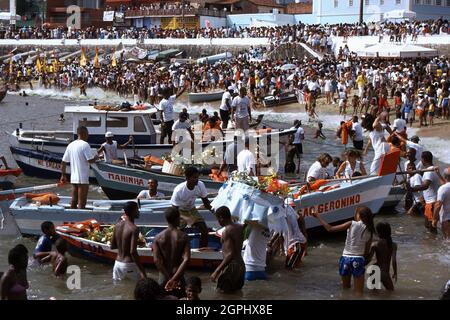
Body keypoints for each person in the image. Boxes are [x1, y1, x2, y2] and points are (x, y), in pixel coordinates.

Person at [312, 206, 375, 294]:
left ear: (359, 215)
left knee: (345, 290)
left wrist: (318, 216)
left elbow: (330, 229)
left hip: (345, 259)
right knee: (359, 293)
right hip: (358, 259)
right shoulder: (370, 230)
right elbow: (366, 253)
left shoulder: (351, 223)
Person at [171, 166, 214, 248]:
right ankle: (178, 250)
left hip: (192, 209)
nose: (197, 179)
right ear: (187, 178)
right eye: (194, 177)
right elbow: (174, 211)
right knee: (179, 232)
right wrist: (186, 218)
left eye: (197, 177)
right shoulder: (179, 190)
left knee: (204, 230)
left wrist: (215, 212)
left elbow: (206, 203)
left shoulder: (200, 185)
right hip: (180, 211)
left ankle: (203, 249)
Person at [153, 207, 190, 298]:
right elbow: (186, 259)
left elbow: (156, 261)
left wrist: (169, 278)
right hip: (178, 275)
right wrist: (174, 278)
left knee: (161, 297)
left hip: (164, 275)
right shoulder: (183, 236)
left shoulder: (158, 237)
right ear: (177, 218)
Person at [60, 126, 97, 209]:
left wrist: (63, 175)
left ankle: (71, 220)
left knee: (74, 200)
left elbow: (63, 162)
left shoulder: (71, 145)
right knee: (82, 202)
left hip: (73, 177)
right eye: (87, 134)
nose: (88, 136)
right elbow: (90, 160)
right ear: (84, 133)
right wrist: (96, 157)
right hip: (82, 178)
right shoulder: (85, 144)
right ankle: (80, 220)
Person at [211, 206, 245, 293]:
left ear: (221, 218)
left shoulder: (227, 231)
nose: (218, 222)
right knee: (237, 294)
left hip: (231, 266)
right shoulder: (240, 227)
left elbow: (230, 254)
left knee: (222, 294)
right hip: (241, 265)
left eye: (217, 219)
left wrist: (217, 271)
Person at [407, 152, 443, 233]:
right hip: (430, 202)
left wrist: (411, 189)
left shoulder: (429, 172)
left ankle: (434, 244)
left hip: (432, 202)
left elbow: (425, 186)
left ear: (423, 159)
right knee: (427, 225)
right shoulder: (432, 169)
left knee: (431, 227)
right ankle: (433, 243)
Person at [110, 201, 147, 281]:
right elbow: (132, 252)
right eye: (137, 209)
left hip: (117, 264)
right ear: (133, 211)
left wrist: (129, 243)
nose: (138, 212)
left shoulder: (117, 225)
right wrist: (142, 271)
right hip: (129, 265)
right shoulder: (134, 228)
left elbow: (112, 246)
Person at [366, 222, 397, 291]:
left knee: (374, 294)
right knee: (391, 292)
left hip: (374, 269)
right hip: (384, 272)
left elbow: (369, 259)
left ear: (378, 232)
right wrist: (395, 272)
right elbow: (394, 260)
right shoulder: (393, 245)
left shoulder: (375, 244)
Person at [433, 167, 450, 239]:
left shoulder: (443, 188)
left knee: (447, 241)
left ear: (445, 176)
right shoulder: (445, 187)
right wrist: (438, 174)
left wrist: (434, 219)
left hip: (447, 219)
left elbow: (438, 205)